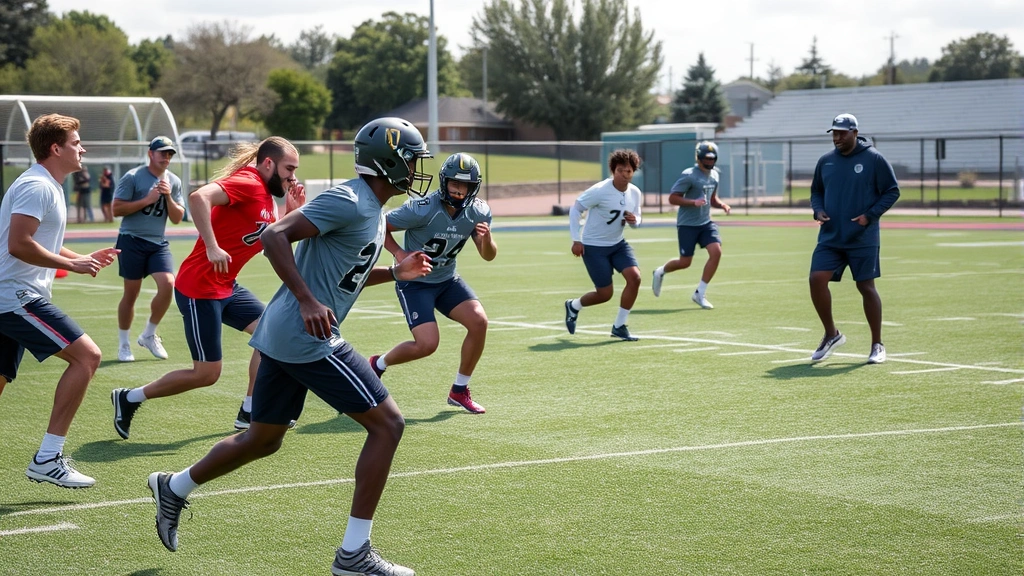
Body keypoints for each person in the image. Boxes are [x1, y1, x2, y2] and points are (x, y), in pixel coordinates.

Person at [146, 116, 433, 576]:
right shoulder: (349, 199)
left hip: (286, 335)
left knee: (264, 439)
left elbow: (346, 274)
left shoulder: (371, 209)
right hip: (307, 338)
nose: (416, 169)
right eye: (411, 159)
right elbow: (272, 236)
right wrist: (305, 299)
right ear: (388, 162)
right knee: (388, 426)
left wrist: (395, 273)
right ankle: (353, 556)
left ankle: (174, 486)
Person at [110, 136, 305, 439]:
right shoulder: (248, 182)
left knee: (271, 333)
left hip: (225, 285)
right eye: (289, 168)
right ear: (268, 164)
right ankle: (129, 397)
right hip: (199, 287)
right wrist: (212, 247)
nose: (293, 176)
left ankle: (250, 410)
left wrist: (291, 213)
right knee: (207, 374)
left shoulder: (265, 194)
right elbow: (199, 197)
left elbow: (267, 244)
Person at [0, 114, 119, 488]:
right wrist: (74, 263)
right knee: (88, 356)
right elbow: (19, 244)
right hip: (15, 296)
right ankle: (48, 458)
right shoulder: (39, 187)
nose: (82, 148)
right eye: (76, 142)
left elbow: (38, 241)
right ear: (56, 148)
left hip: (10, 295)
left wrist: (79, 259)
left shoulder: (46, 185)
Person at [369, 152, 497, 414]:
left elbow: (488, 256)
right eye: (455, 184)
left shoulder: (478, 211)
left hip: (447, 279)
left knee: (479, 322)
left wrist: (487, 240)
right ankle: (377, 365)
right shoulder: (422, 208)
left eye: (466, 186)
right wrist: (399, 253)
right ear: (444, 182)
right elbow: (379, 225)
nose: (460, 191)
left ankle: (459, 390)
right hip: (415, 282)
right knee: (427, 345)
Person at [808, 113, 900, 364]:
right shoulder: (825, 161)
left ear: (855, 133)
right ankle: (831, 334)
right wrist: (817, 209)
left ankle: (877, 344)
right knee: (816, 279)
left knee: (865, 287)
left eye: (841, 133)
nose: (837, 138)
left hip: (863, 237)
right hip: (830, 236)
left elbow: (892, 191)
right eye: (834, 133)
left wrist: (870, 216)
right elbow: (816, 191)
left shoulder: (874, 159)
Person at [112, 137, 185, 363]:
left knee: (168, 284)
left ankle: (149, 334)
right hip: (131, 240)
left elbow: (177, 217)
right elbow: (116, 209)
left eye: (170, 154)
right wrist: (148, 199)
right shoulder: (133, 177)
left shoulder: (173, 181)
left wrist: (167, 196)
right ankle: (124, 344)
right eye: (162, 152)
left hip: (158, 243)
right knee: (131, 295)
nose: (166, 157)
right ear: (150, 154)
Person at [563, 149, 643, 342]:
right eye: (620, 170)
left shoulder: (635, 192)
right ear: (613, 170)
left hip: (618, 244)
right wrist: (576, 240)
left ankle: (619, 326)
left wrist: (634, 220)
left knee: (635, 278)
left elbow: (637, 219)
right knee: (605, 294)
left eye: (629, 171)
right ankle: (574, 305)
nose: (625, 175)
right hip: (594, 247)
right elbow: (576, 209)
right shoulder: (600, 190)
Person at [651, 141, 731, 308]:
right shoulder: (689, 175)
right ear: (699, 158)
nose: (709, 162)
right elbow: (673, 198)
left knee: (716, 252)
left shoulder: (715, 175)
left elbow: (712, 199)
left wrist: (722, 204)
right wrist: (693, 202)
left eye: (712, 159)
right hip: (687, 224)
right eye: (706, 159)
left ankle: (700, 293)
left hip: (705, 222)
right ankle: (660, 271)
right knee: (685, 262)